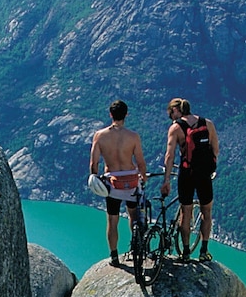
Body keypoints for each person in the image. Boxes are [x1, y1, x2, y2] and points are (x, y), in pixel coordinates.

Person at [90, 100, 148, 267]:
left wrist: (95, 178)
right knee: (134, 216)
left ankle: (114, 255)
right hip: (131, 181)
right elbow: (140, 162)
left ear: (111, 114)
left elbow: (94, 163)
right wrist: (143, 178)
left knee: (112, 219)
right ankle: (137, 247)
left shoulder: (100, 136)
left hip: (112, 183)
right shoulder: (133, 136)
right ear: (126, 115)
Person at [161, 98, 219, 262]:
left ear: (176, 111)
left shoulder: (176, 128)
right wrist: (209, 167)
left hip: (187, 174)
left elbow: (169, 156)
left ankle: (185, 252)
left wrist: (166, 180)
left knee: (185, 212)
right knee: (206, 212)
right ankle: (204, 251)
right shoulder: (207, 124)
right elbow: (215, 149)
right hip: (204, 175)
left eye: (170, 114)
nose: (171, 118)